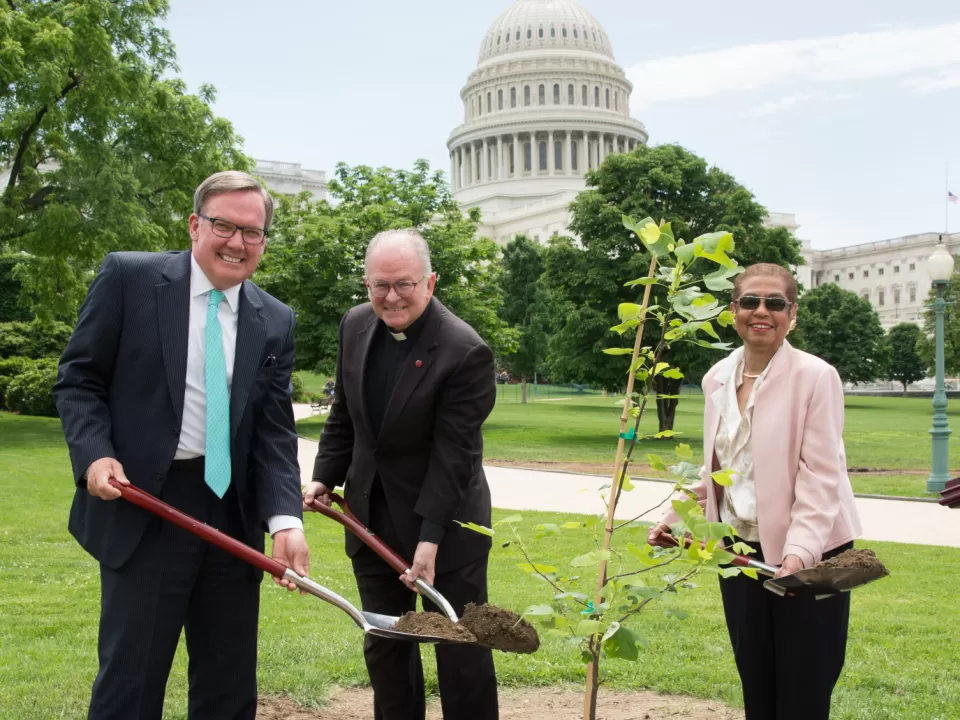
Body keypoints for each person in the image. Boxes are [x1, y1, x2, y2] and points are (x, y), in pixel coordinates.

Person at [54, 170, 310, 720]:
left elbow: (272, 433)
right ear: (195, 225)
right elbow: (79, 379)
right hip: (146, 505)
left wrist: (286, 519)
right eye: (224, 225)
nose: (237, 243)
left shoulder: (276, 320)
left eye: (253, 232)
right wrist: (95, 453)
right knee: (131, 683)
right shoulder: (130, 279)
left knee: (228, 685)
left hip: (231, 516)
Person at [647, 263, 862, 720]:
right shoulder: (716, 379)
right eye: (750, 302)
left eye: (774, 303)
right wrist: (676, 519)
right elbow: (720, 471)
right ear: (733, 311)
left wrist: (799, 552)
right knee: (757, 683)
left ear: (792, 315)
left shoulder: (815, 377)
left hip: (814, 556)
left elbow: (821, 477)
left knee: (804, 688)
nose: (761, 311)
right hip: (742, 556)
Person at [302, 229, 498, 720]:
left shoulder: (464, 351)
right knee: (387, 648)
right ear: (366, 284)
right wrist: (325, 476)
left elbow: (456, 456)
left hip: (448, 529)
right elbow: (344, 413)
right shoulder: (354, 325)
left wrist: (430, 538)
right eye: (380, 285)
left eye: (404, 284)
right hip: (372, 520)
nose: (391, 297)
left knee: (461, 655)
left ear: (430, 282)